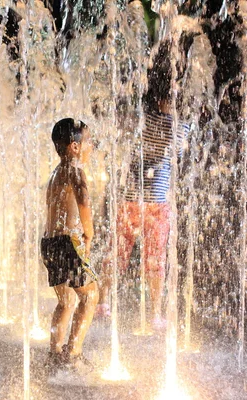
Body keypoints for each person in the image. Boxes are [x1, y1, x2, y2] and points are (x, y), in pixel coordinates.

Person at [97, 43, 189, 329]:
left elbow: (122, 147)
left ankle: (103, 302)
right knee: (155, 259)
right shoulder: (180, 126)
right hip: (157, 203)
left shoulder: (137, 119)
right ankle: (155, 314)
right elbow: (176, 159)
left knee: (118, 251)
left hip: (129, 198)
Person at [41, 118, 99, 373]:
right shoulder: (74, 169)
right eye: (88, 142)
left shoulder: (55, 173)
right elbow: (84, 200)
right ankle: (73, 353)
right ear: (74, 147)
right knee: (91, 295)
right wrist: (90, 233)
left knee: (65, 302)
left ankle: (54, 353)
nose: (91, 146)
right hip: (68, 242)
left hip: (49, 242)